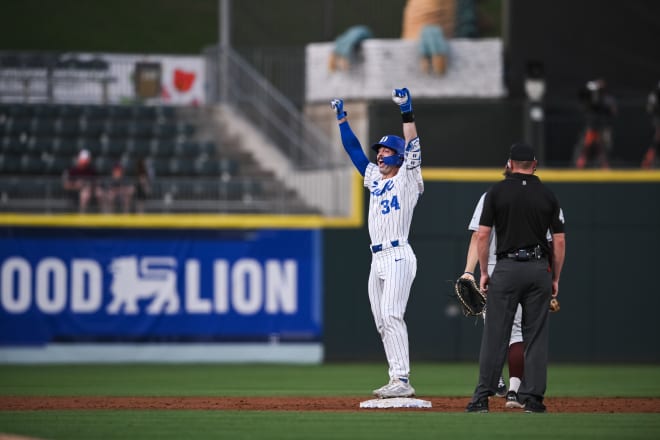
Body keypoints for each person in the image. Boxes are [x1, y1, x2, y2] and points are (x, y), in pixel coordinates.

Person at [331, 87, 424, 398]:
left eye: (385, 151)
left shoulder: (407, 178)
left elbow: (412, 143)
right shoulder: (375, 178)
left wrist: (406, 110)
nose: (379, 154)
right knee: (381, 321)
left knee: (392, 314)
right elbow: (355, 152)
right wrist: (342, 120)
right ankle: (394, 377)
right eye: (379, 151)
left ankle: (402, 380)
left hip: (398, 253)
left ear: (398, 156)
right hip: (377, 258)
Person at [465, 143, 566, 413]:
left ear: (509, 164)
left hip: (506, 268)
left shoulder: (495, 192)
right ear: (534, 165)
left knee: (495, 335)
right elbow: (559, 240)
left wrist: (484, 272)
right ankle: (533, 399)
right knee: (535, 337)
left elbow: (482, 235)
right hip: (539, 269)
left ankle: (481, 399)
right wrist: (554, 277)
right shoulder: (548, 195)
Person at [573, 78, 617, 169]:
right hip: (592, 127)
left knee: (603, 149)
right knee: (586, 148)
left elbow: (612, 111)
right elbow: (582, 97)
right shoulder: (590, 98)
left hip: (603, 127)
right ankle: (579, 166)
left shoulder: (607, 99)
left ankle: (605, 167)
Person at [62, 149, 104, 213]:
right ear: (79, 159)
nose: (84, 161)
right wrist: (76, 185)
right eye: (83, 159)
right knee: (85, 194)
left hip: (91, 190)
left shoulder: (92, 170)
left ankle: (101, 214)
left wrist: (91, 185)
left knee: (99, 192)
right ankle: (82, 214)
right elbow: (66, 185)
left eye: (86, 159)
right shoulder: (72, 171)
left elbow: (98, 181)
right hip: (75, 193)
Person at [641, 80, 660, 169]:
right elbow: (650, 109)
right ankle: (648, 163)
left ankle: (649, 162)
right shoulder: (654, 96)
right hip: (657, 121)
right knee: (656, 142)